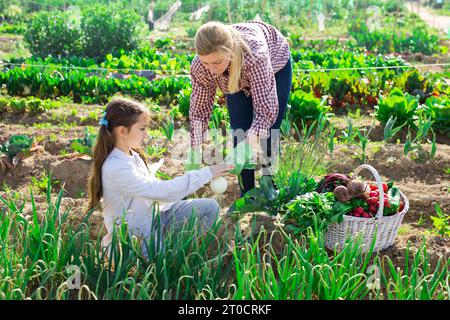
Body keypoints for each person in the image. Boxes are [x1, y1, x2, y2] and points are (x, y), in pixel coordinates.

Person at [86, 97, 234, 256]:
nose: (146, 135)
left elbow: (159, 192)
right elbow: (158, 191)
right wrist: (206, 173)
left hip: (156, 218)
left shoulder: (132, 155)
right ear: (122, 131)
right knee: (162, 267)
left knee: (210, 208)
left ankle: (179, 251)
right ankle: (138, 253)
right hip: (136, 234)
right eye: (142, 129)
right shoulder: (116, 167)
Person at [189, 20, 292, 197]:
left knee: (269, 133)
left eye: (216, 62)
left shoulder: (254, 55)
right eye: (206, 63)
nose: (211, 70)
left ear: (229, 53)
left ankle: (272, 187)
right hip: (234, 78)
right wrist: (194, 151)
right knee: (239, 131)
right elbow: (200, 111)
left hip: (275, 65)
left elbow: (265, 111)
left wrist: (246, 148)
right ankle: (248, 194)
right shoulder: (201, 67)